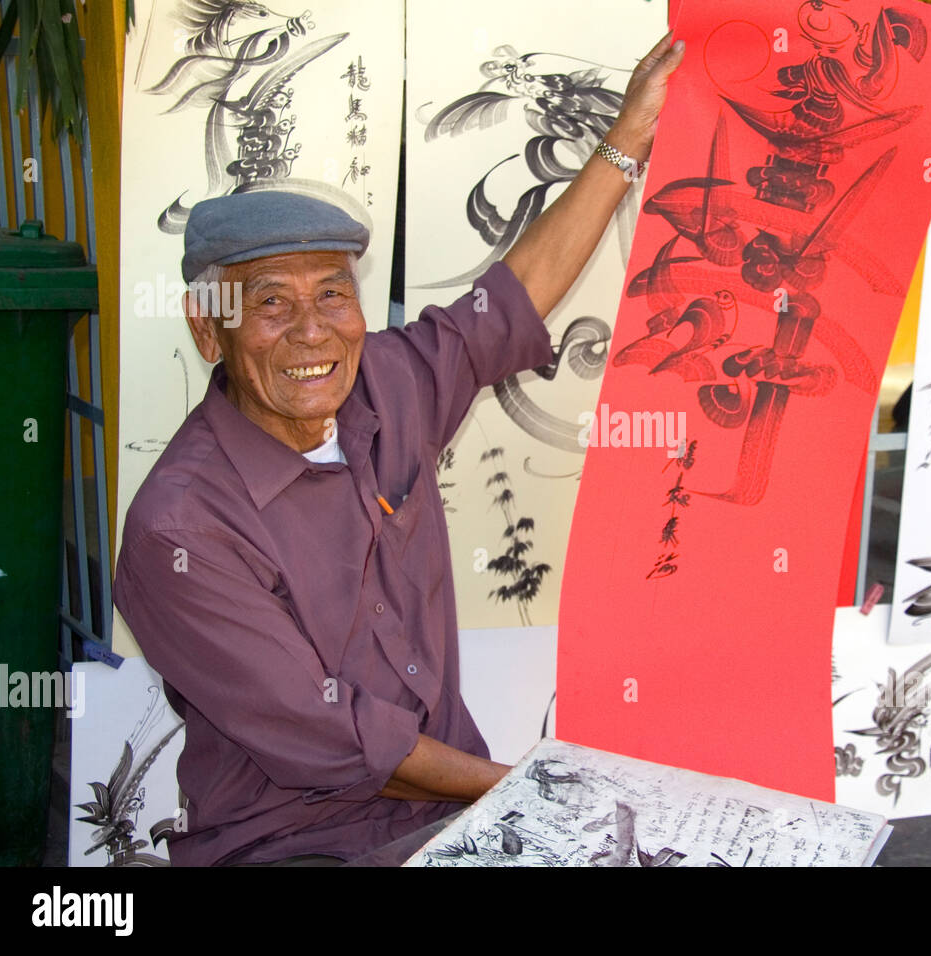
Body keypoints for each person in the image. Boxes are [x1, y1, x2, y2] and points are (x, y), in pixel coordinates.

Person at [112, 33, 685, 866]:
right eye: (271, 302)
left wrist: (629, 134)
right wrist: (535, 788)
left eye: (334, 294)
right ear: (210, 328)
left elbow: (511, 298)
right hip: (295, 845)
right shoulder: (181, 530)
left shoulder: (384, 383)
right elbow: (342, 744)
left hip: (449, 821)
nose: (313, 331)